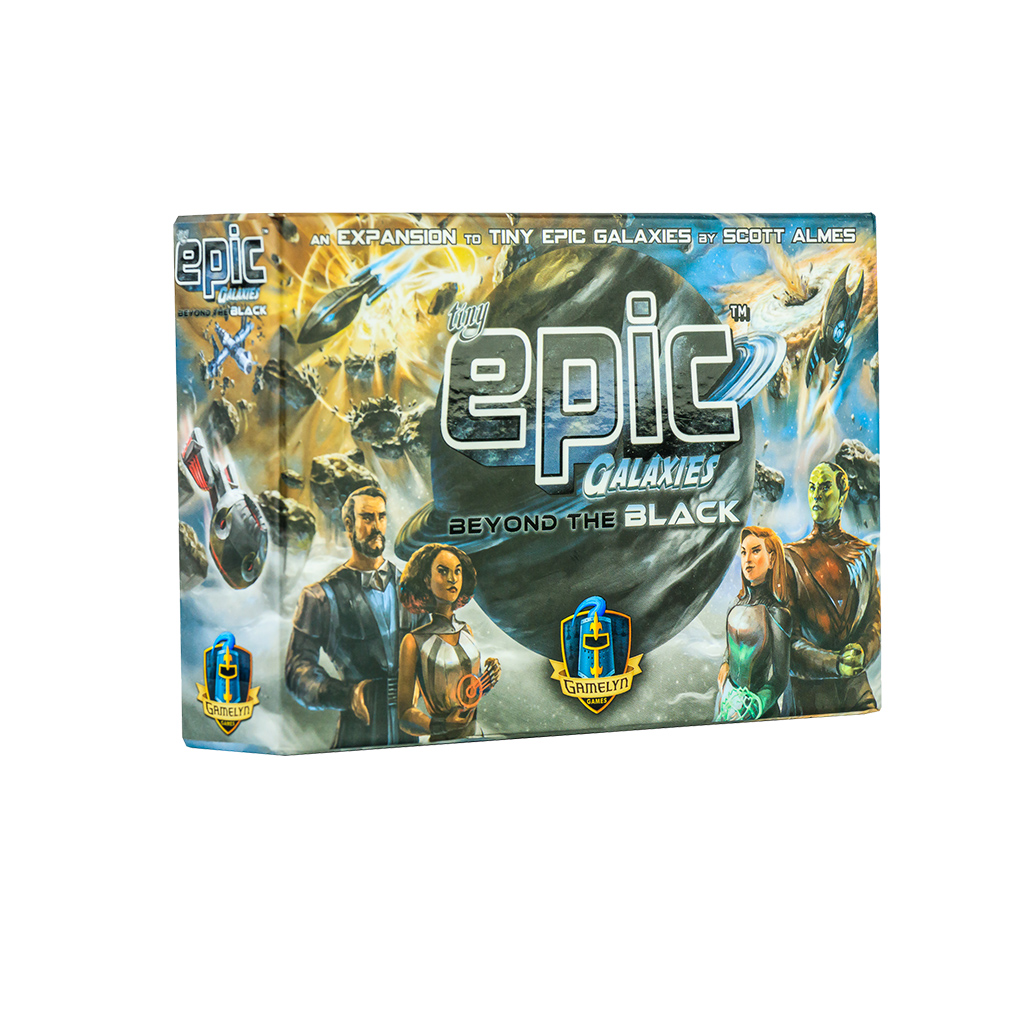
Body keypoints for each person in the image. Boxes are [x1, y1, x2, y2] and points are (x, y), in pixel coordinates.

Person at [285, 486, 422, 748]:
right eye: (367, 518)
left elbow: (431, 645)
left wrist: (423, 681)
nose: (377, 526)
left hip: (409, 728)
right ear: (349, 525)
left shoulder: (412, 586)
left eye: (381, 517)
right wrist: (347, 695)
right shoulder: (320, 597)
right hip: (357, 729)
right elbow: (297, 670)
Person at [784, 462, 880, 715]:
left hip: (855, 689)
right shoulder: (790, 557)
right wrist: (834, 664)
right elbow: (787, 641)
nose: (816, 495)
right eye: (812, 487)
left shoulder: (865, 555)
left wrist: (862, 650)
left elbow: (875, 622)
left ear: (842, 494)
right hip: (807, 695)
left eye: (825, 487)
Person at [396, 544, 500, 742]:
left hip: (477, 737)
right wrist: (441, 726)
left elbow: (470, 691)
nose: (452, 579)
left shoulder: (466, 631)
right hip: (442, 743)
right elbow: (405, 716)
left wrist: (489, 677)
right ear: (427, 580)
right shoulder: (413, 642)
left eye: (457, 571)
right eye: (443, 572)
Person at [715, 526, 792, 722]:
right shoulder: (734, 604)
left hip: (759, 712)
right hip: (726, 702)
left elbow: (781, 677)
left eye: (755, 551)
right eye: (743, 552)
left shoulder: (777, 613)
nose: (747, 559)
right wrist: (725, 664)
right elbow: (729, 649)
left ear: (772, 559)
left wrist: (757, 704)